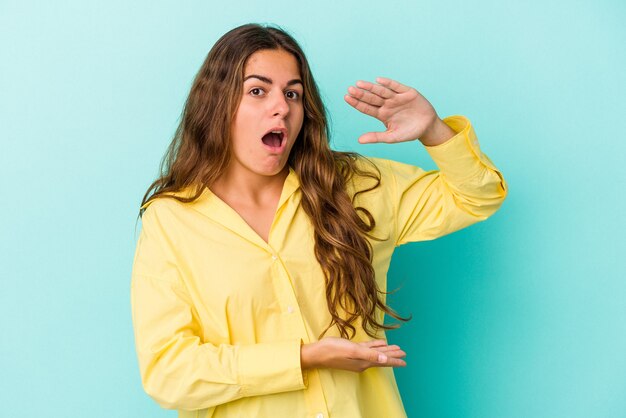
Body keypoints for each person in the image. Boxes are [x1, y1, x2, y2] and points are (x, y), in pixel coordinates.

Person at [131, 23, 507, 418]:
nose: (282, 106)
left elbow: (477, 196)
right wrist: (303, 358)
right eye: (258, 91)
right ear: (216, 104)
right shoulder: (171, 220)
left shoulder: (358, 187)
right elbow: (168, 373)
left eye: (292, 93)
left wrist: (434, 132)